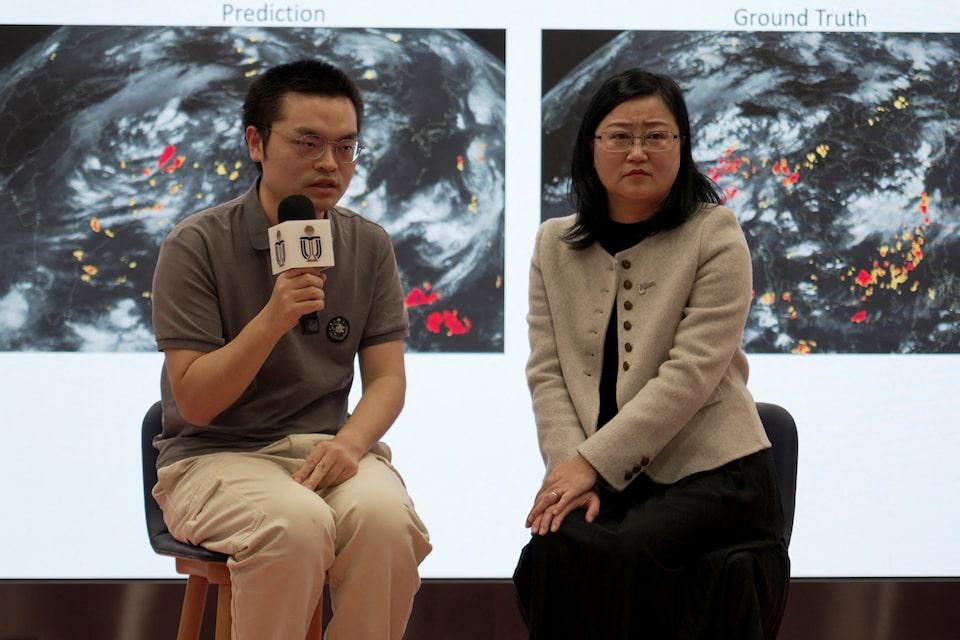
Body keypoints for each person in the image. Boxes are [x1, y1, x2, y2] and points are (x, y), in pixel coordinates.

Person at [150, 60, 431, 640]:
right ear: (256, 142)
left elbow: (387, 379)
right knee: (294, 525)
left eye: (346, 147)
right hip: (213, 455)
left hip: (327, 450)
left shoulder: (368, 244)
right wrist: (274, 318)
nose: (330, 163)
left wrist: (351, 444)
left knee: (387, 523)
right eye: (308, 143)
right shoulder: (196, 244)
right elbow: (196, 403)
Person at [513, 68, 790, 639]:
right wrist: (570, 472)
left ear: (681, 146)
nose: (638, 151)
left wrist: (592, 464)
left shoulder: (715, 233)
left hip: (715, 477)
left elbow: (690, 373)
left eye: (656, 136)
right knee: (548, 551)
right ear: (591, 146)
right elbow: (547, 371)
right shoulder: (553, 244)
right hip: (605, 480)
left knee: (621, 554)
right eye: (620, 135)